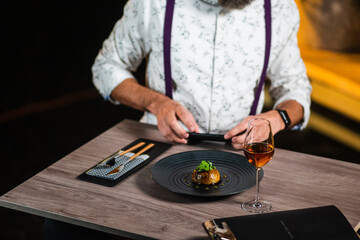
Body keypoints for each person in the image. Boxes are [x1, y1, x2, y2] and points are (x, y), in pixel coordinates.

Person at [92, 0, 312, 149]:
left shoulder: (279, 7)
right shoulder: (154, 3)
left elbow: (295, 88)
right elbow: (106, 66)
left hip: (243, 157)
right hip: (160, 147)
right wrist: (156, 103)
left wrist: (278, 119)